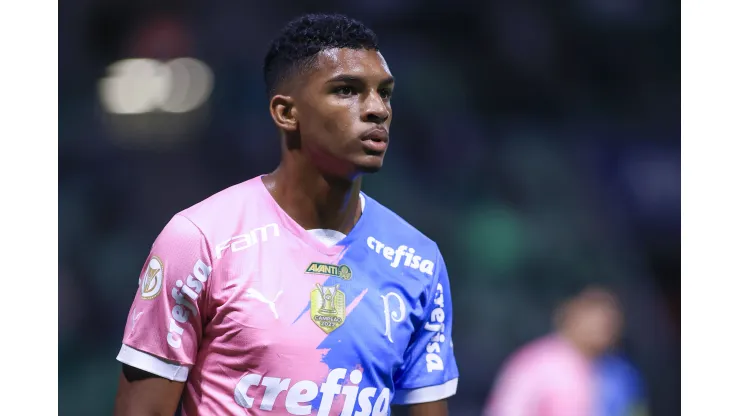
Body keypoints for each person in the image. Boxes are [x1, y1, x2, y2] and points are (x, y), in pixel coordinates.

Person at [113, 13, 459, 416]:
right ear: (286, 112)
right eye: (347, 90)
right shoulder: (200, 240)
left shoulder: (418, 260)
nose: (377, 110)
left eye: (385, 93)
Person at [483, 287, 624, 416]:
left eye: (607, 320)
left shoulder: (620, 374)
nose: (600, 325)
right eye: (593, 315)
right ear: (570, 313)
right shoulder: (535, 363)